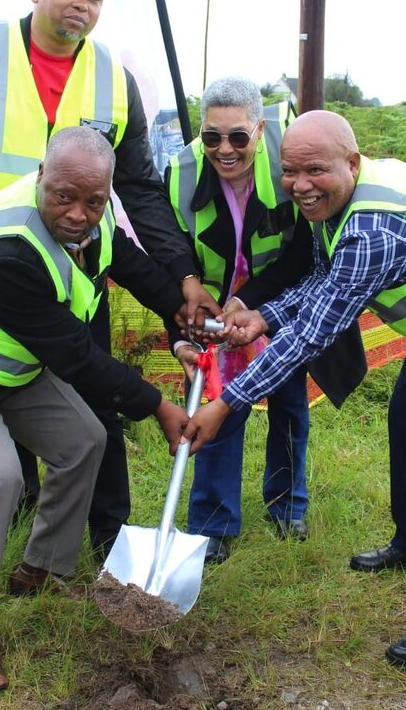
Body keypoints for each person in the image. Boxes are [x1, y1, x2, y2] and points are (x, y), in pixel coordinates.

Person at [0, 0, 218, 553]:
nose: (82, 5)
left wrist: (181, 277)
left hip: (77, 273)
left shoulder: (113, 78)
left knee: (95, 399)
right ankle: (16, 517)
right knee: (3, 402)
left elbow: (141, 188)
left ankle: (106, 533)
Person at [183, 109, 406, 668]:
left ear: (352, 163)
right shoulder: (340, 200)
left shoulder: (369, 228)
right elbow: (322, 281)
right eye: (290, 172)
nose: (300, 185)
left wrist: (228, 401)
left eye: (314, 170)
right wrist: (264, 315)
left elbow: (315, 332)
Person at [0, 128, 190, 691]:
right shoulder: (7, 249)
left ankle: (43, 569)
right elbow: (74, 354)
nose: (78, 214)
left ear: (107, 193)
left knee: (84, 440)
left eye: (94, 202)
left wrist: (182, 308)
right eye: (63, 196)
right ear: (40, 176)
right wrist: (159, 406)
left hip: (6, 358)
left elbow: (132, 265)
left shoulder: (93, 218)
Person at [165, 76, 314, 564]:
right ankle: (212, 525)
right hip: (216, 310)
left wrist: (252, 302)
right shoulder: (180, 171)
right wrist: (186, 327)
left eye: (237, 137)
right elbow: (173, 258)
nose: (224, 150)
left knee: (289, 401)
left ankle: (287, 505)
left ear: (260, 128)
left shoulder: (292, 161)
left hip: (277, 299)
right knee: (219, 403)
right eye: (212, 137)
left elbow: (301, 255)